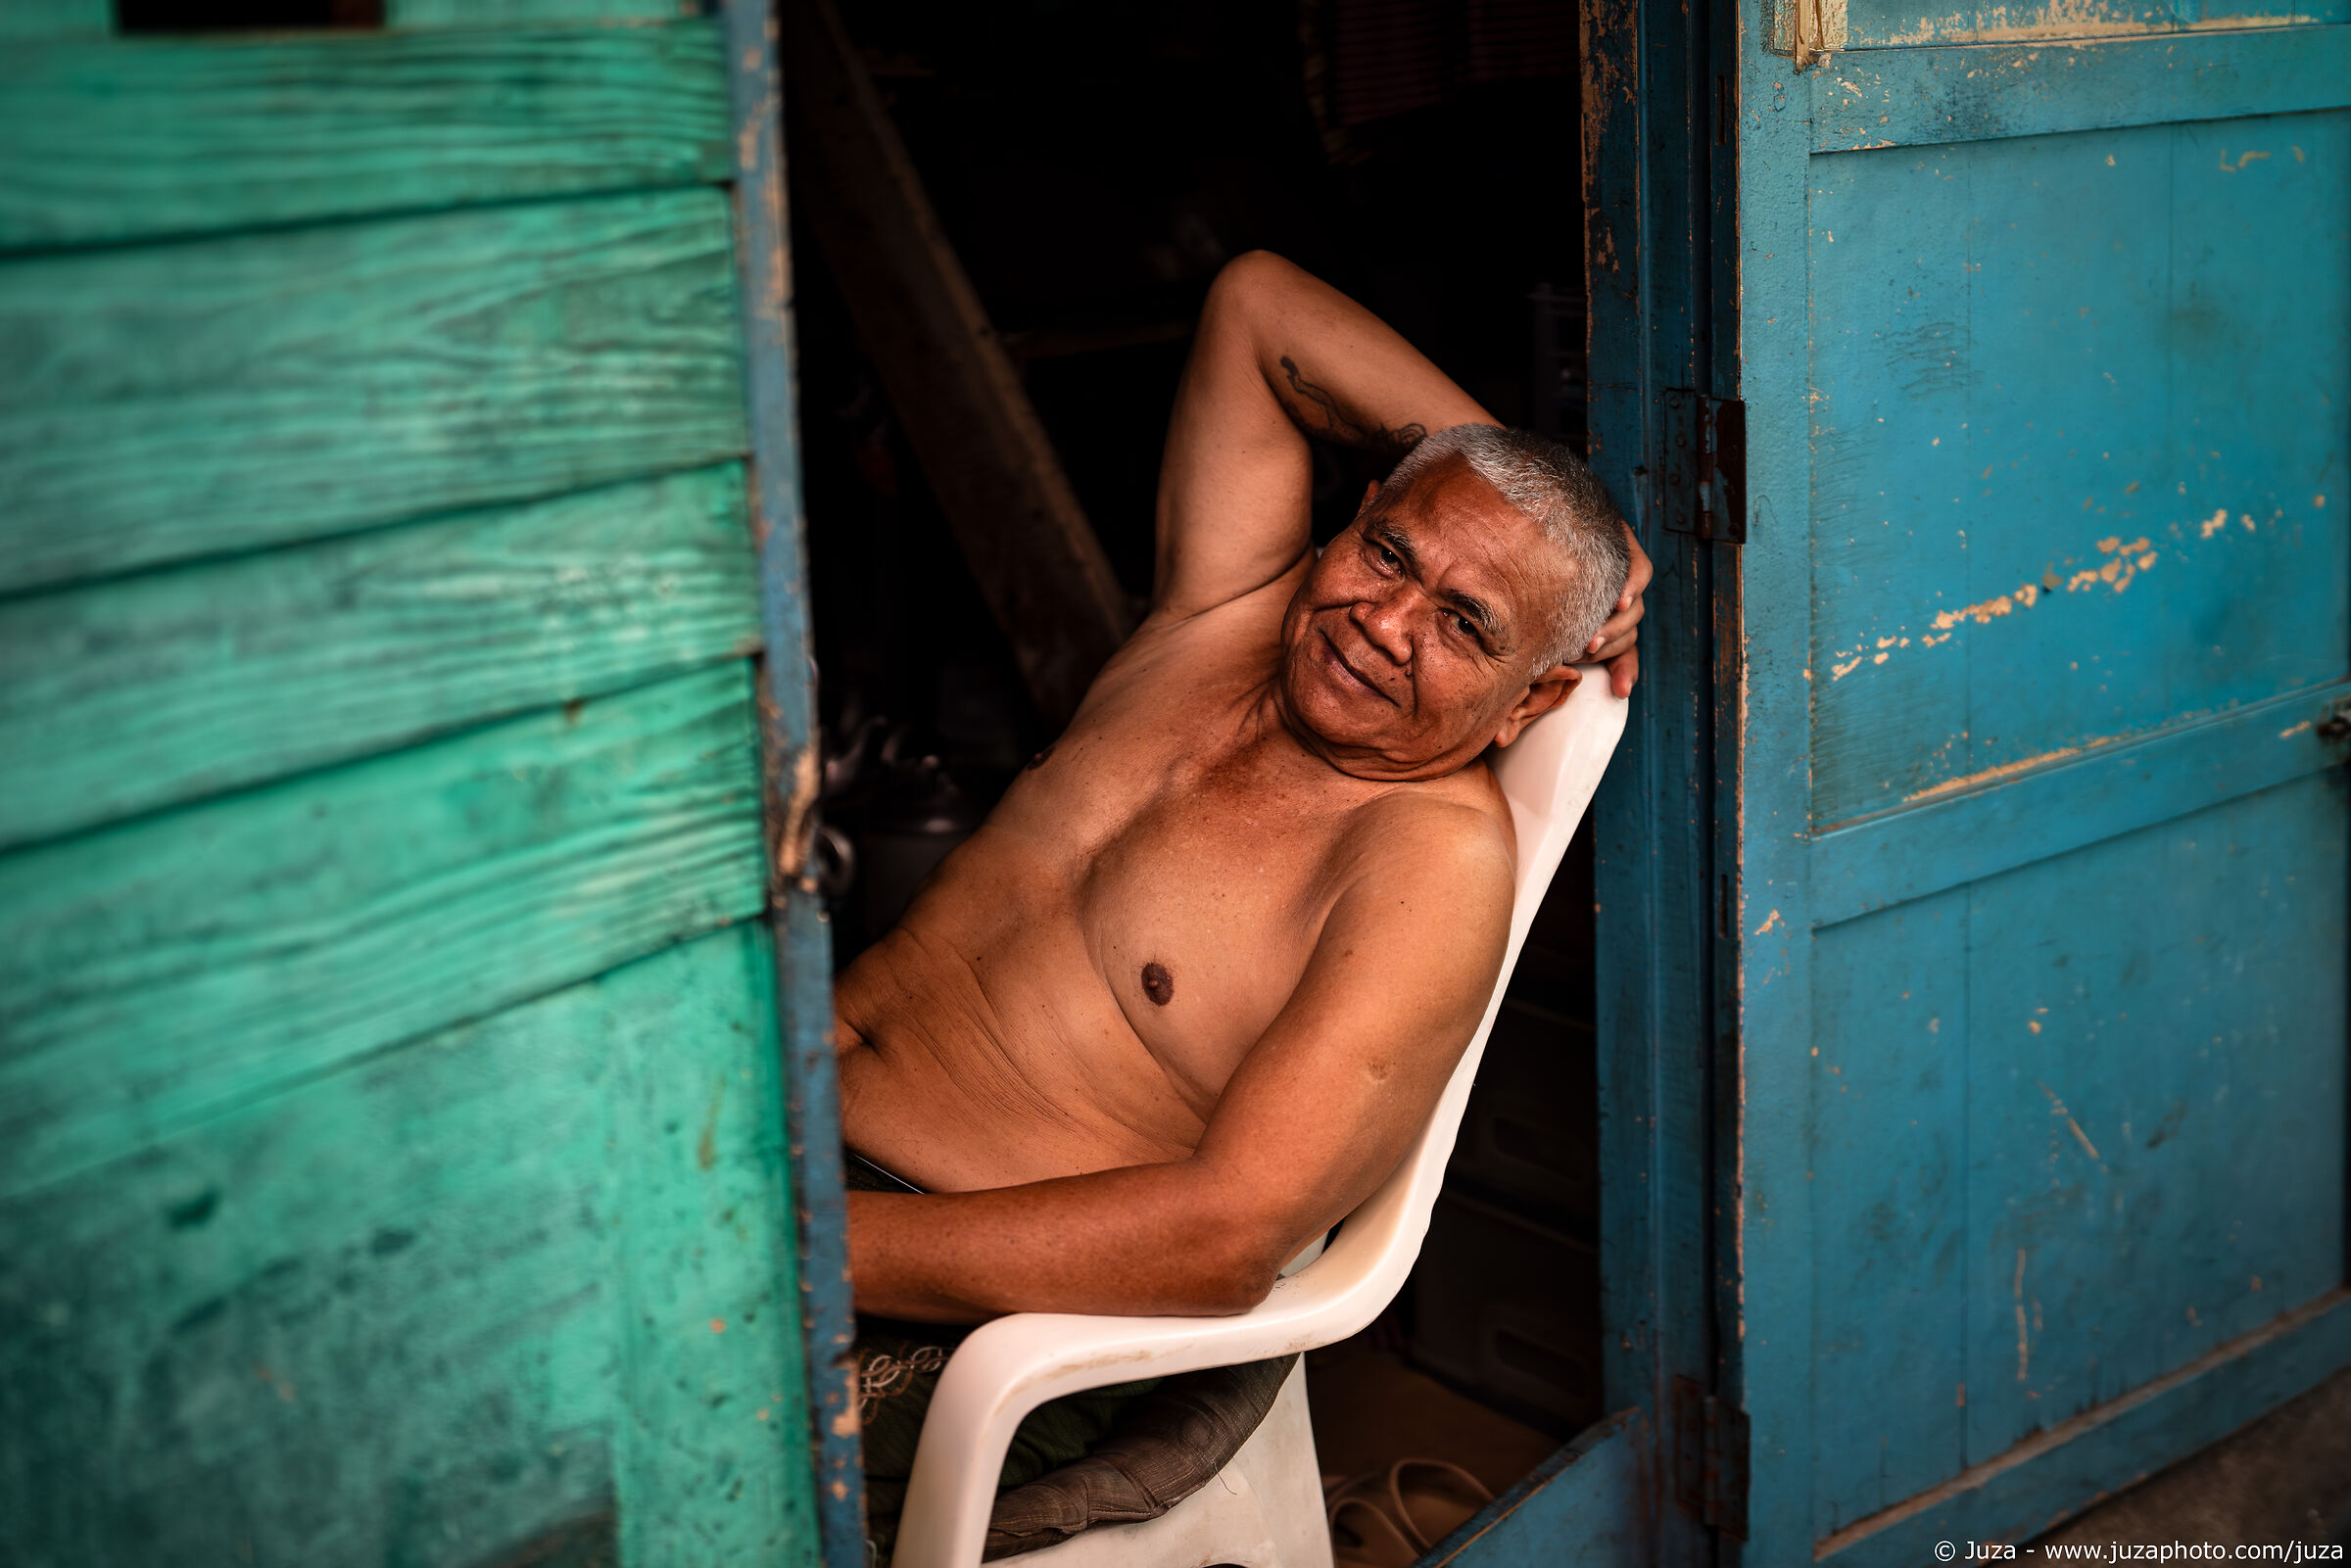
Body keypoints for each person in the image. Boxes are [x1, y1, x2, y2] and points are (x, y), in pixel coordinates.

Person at [832, 251, 1652, 1558]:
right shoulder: (1223, 620)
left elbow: (1228, 1233)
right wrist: (1542, 508)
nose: (1386, 623)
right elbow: (1259, 307)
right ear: (1357, 512)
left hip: (968, 1297)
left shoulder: (1425, 861)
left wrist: (825, 1250)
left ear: (1535, 699)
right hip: (797, 1142)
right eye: (1389, 550)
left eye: (1468, 625)